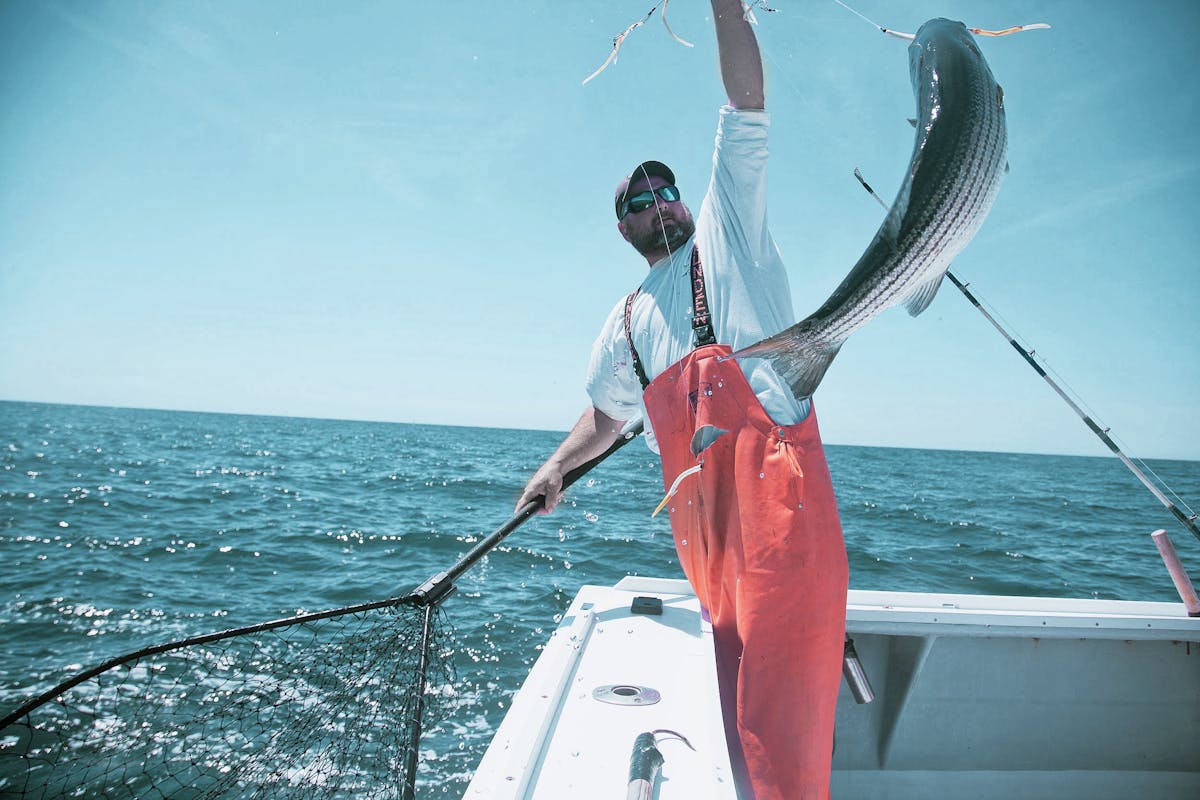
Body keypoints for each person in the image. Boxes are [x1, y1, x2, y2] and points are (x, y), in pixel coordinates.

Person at [516, 2, 848, 797]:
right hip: (706, 553)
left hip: (782, 534)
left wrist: (725, 5)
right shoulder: (627, 320)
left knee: (784, 752)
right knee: (734, 735)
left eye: (664, 189)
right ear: (622, 229)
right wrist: (555, 467)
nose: (658, 202)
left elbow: (745, 104)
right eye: (638, 201)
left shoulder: (731, 237)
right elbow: (607, 415)